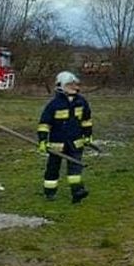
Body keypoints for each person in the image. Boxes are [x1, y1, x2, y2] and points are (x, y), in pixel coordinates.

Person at [36, 71, 93, 203]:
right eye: (70, 84)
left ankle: (77, 192)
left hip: (75, 143)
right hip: (57, 144)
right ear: (61, 86)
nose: (74, 87)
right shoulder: (54, 104)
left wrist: (88, 136)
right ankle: (49, 192)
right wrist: (43, 141)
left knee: (75, 169)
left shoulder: (81, 102)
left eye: (75, 84)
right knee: (53, 169)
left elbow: (86, 120)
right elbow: (44, 124)